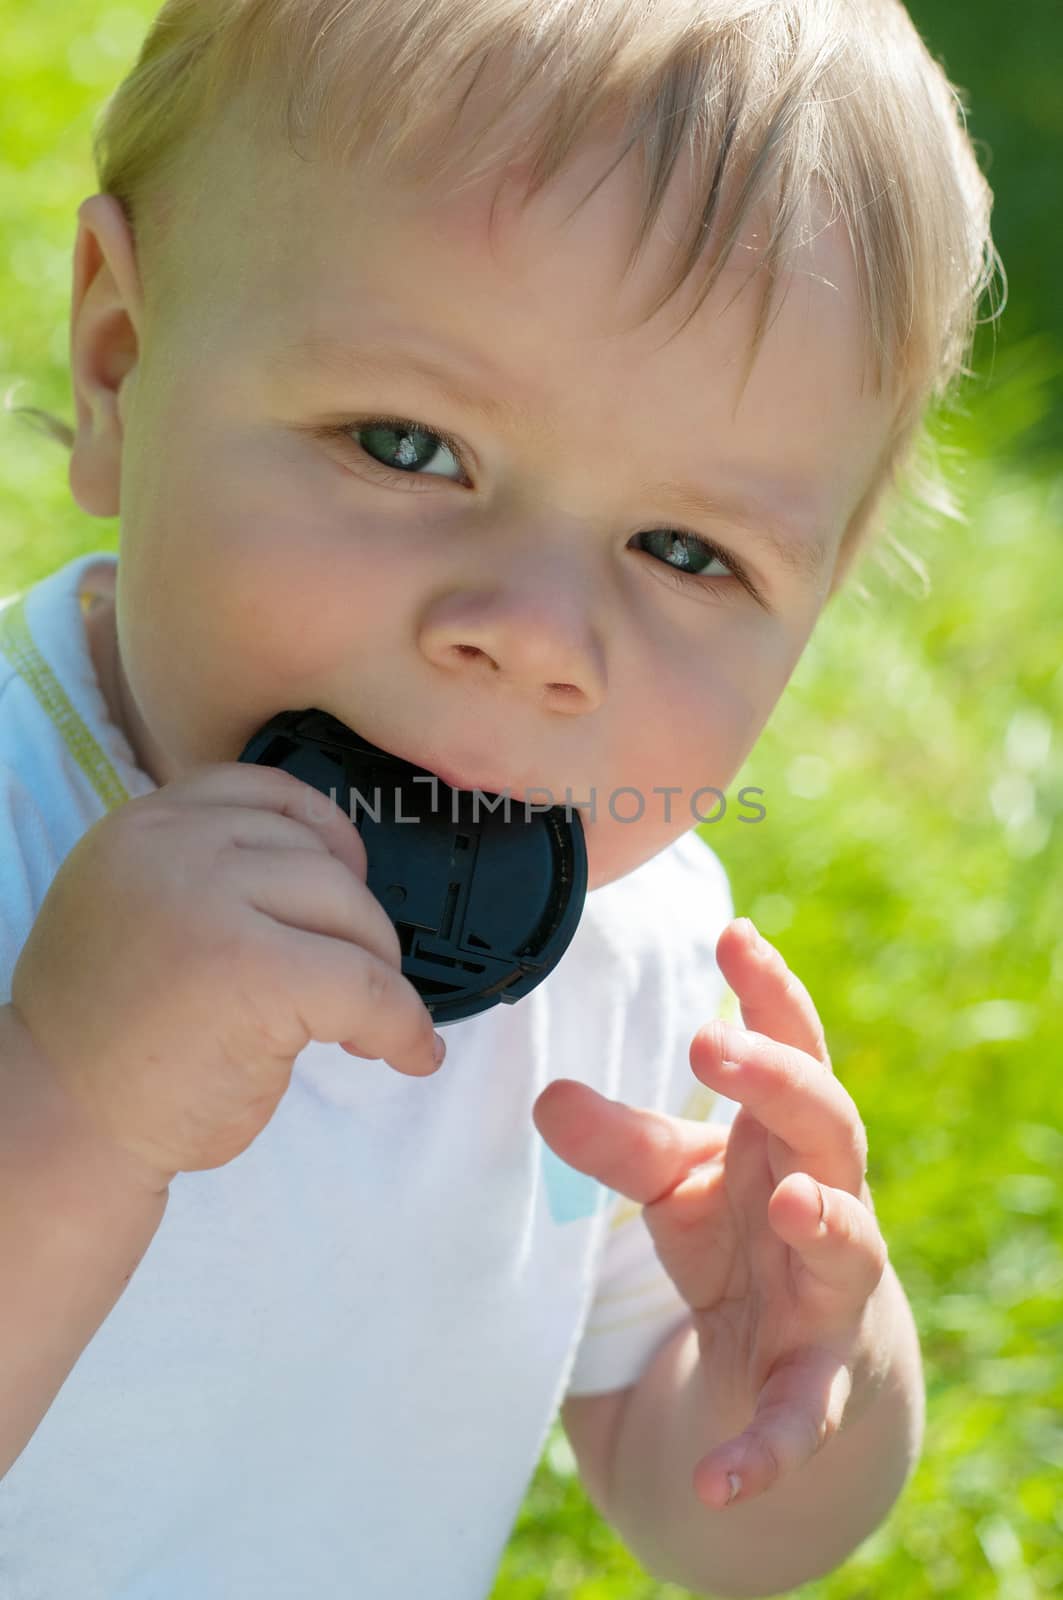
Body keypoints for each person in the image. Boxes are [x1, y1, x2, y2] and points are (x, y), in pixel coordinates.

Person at [0, 1, 1000, 1594]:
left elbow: (713, 1525)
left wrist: (797, 1374)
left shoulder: (636, 961)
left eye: (688, 552)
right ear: (122, 363)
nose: (533, 635)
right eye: (408, 445)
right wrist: (64, 1095)